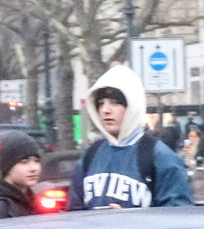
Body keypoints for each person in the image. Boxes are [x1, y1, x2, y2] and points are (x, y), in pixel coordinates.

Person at [73, 64, 195, 208]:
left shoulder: (160, 157)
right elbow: (75, 211)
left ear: (132, 107)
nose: (106, 110)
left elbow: (179, 216)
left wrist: (130, 221)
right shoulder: (91, 155)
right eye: (100, 103)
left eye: (115, 103)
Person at [0, 131, 44, 219]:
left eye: (36, 161)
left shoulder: (28, 200)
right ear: (8, 166)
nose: (33, 168)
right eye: (24, 162)